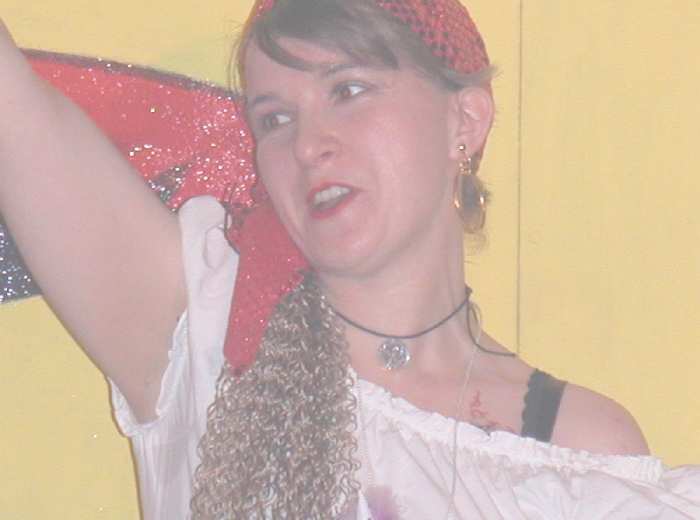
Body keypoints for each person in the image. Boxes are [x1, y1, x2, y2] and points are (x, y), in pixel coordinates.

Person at [1, 0, 699, 518]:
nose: (309, 144)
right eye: (275, 119)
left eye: (348, 90)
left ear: (465, 120)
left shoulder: (578, 448)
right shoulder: (200, 333)